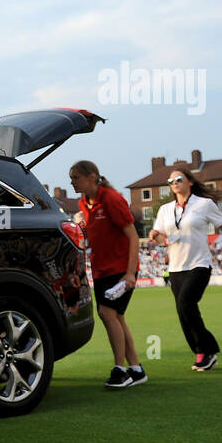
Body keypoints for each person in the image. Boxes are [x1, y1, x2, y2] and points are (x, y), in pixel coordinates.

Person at [148, 164, 222, 371]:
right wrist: (155, 236)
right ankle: (201, 353)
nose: (174, 183)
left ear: (190, 182)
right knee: (182, 311)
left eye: (178, 179)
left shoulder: (204, 204)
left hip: (199, 264)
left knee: (186, 304)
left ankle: (208, 349)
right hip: (176, 268)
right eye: (170, 182)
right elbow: (161, 239)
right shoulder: (165, 210)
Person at [70, 160, 145, 388]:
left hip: (121, 269)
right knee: (117, 318)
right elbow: (91, 236)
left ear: (92, 176)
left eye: (76, 177)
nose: (72, 182)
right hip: (102, 269)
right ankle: (136, 369)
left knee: (106, 313)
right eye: (71, 178)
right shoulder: (83, 203)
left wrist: (130, 274)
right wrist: (80, 227)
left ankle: (120, 370)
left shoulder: (112, 199)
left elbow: (133, 236)